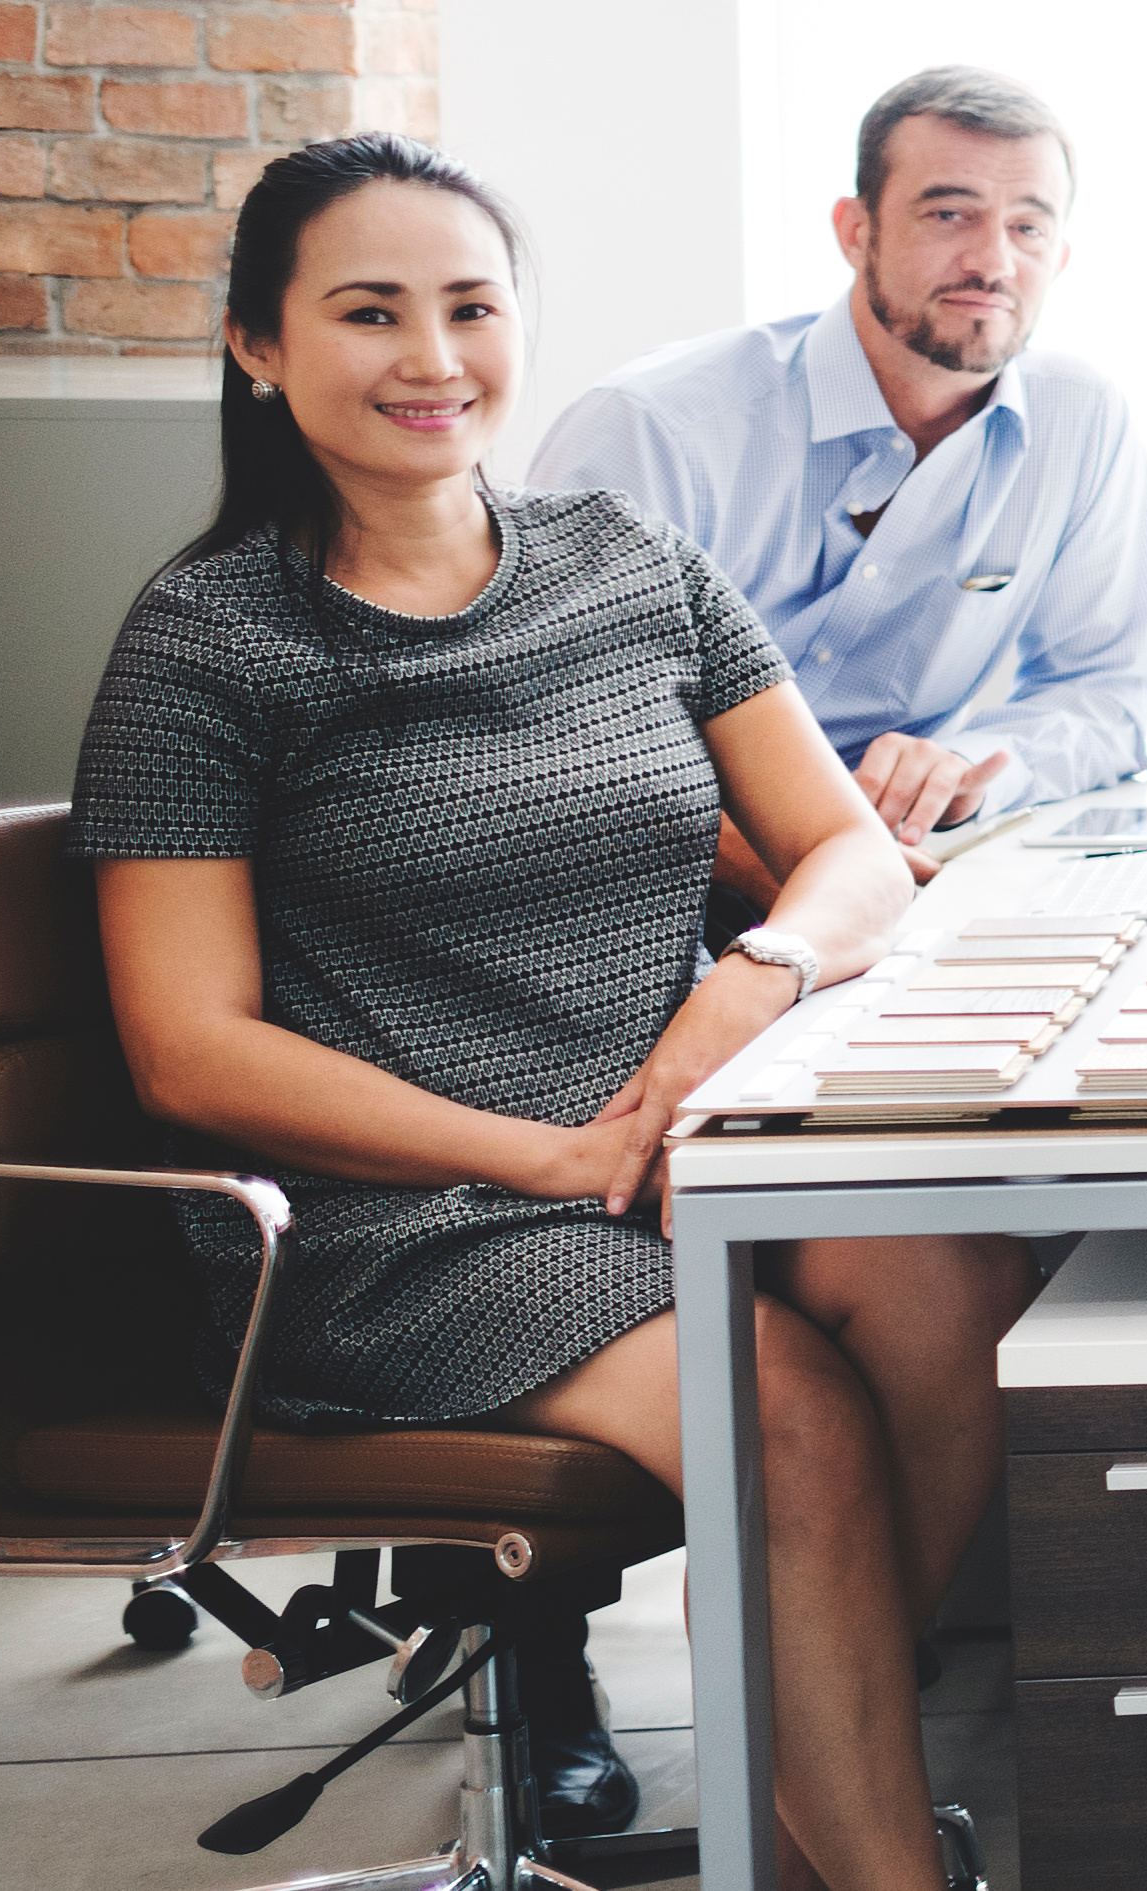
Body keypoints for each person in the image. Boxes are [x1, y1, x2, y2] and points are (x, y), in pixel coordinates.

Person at [82, 135, 1023, 1891]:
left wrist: (748, 987)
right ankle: (879, 1861)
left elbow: (848, 855)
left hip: (657, 1140)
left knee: (946, 1283)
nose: (434, 358)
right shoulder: (206, 643)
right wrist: (553, 1151)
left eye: (469, 308)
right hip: (393, 1220)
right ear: (257, 346)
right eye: (369, 312)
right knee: (787, 1412)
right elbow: (187, 1048)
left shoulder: (625, 560)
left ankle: (814, 1783)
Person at [535, 65, 1147, 842]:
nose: (994, 263)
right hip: (657, 878)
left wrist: (965, 766)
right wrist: (832, 874)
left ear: (1060, 253)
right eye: (949, 214)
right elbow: (569, 742)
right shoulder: (655, 428)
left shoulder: (1081, 419)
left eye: (1028, 227)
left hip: (903, 856)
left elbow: (1103, 692)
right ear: (855, 230)